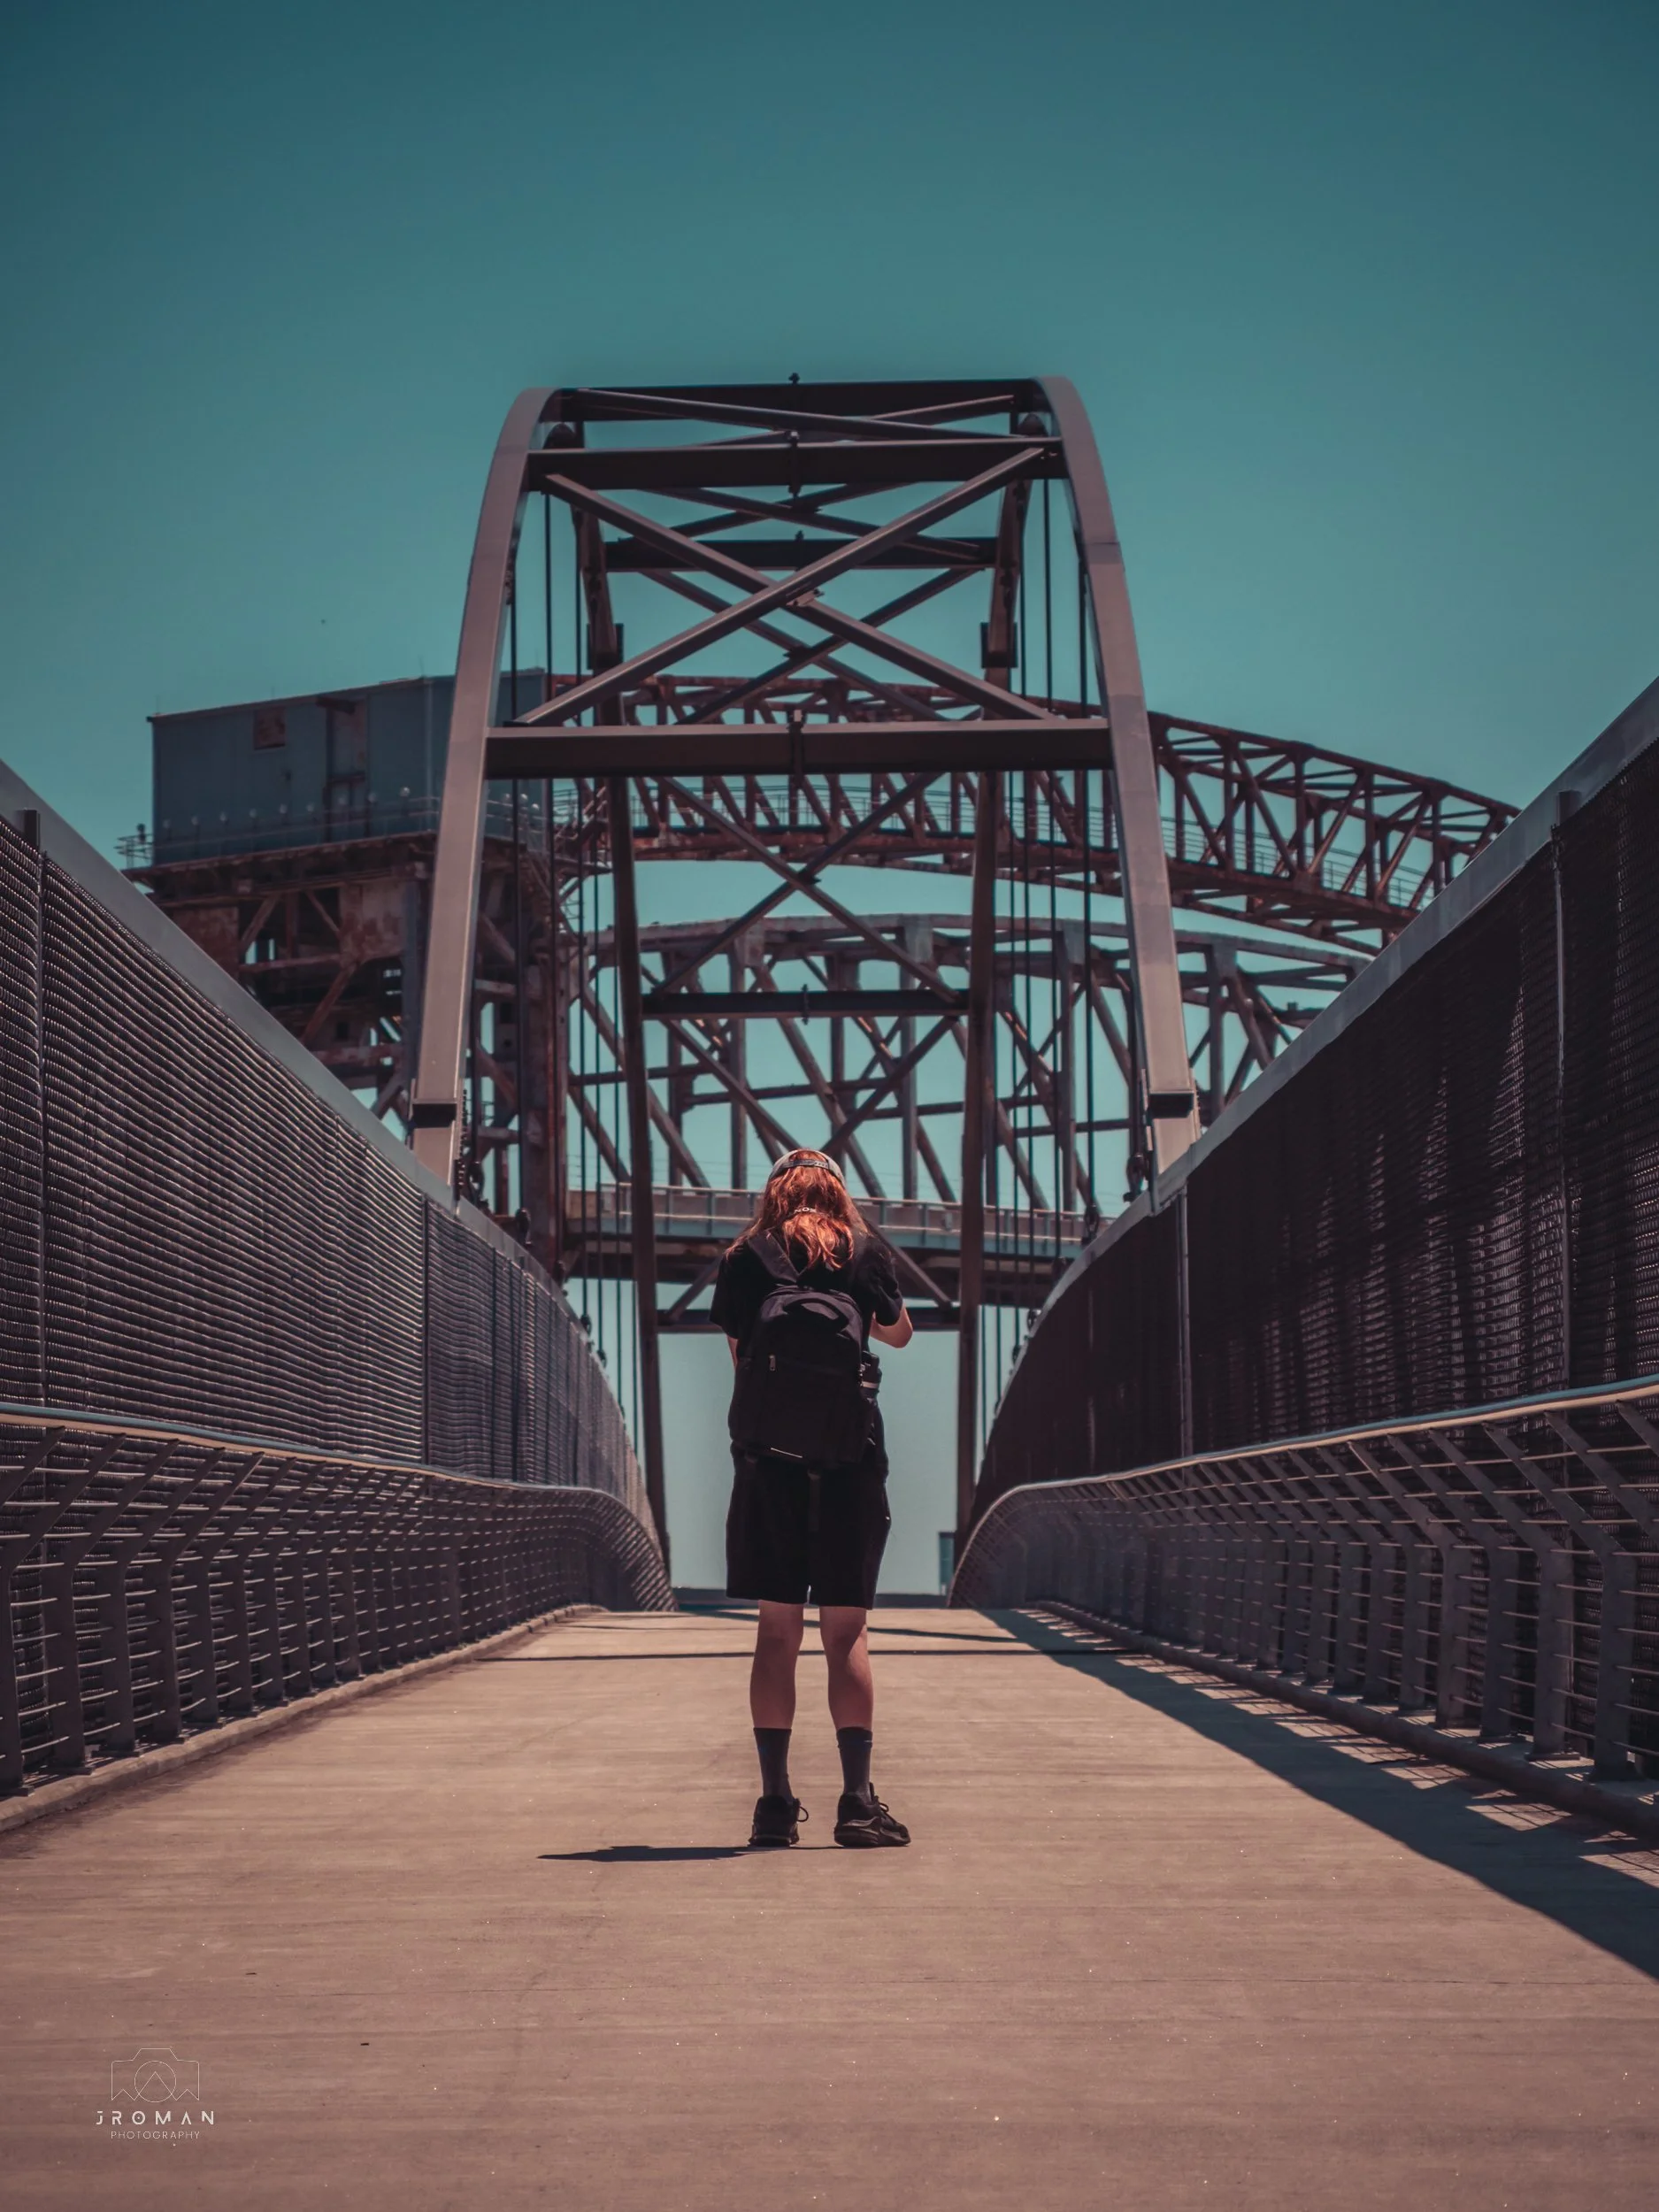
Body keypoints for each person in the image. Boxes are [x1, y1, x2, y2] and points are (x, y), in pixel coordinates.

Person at [712, 1148, 915, 1850]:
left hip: (769, 1464)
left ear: (773, 1192)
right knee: (845, 1633)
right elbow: (899, 1334)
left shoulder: (746, 1256)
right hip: (849, 1458)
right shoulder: (861, 1251)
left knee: (776, 1631)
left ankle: (773, 1805)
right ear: (835, 1192)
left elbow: (741, 1361)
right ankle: (856, 1803)